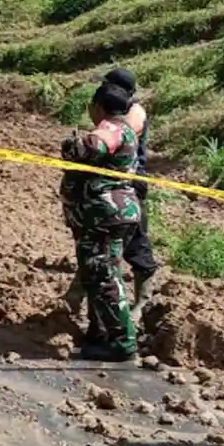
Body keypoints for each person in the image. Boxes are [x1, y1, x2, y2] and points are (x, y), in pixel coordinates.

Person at [60, 82, 143, 362]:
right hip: (110, 214)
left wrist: (73, 145)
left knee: (104, 275)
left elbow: (92, 146)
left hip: (105, 215)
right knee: (97, 274)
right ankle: (100, 332)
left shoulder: (112, 127)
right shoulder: (127, 128)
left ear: (99, 107)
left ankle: (122, 343)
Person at [102, 67, 159, 316]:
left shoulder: (134, 112)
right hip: (116, 182)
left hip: (129, 183)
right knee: (102, 241)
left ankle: (143, 301)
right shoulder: (120, 108)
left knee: (135, 240)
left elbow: (118, 136)